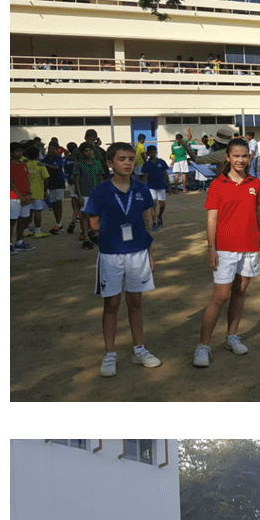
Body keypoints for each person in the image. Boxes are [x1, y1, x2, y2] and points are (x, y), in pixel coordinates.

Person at [84, 143, 161, 377]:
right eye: (121, 159)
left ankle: (139, 349)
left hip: (138, 252)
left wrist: (150, 252)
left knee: (135, 303)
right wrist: (105, 239)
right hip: (111, 254)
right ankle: (109, 354)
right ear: (110, 163)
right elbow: (93, 220)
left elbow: (146, 221)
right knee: (112, 304)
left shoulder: (141, 188)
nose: (127, 163)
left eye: (130, 159)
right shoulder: (100, 191)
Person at [193, 138, 260, 367]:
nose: (240, 160)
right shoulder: (218, 184)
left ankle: (231, 336)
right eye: (236, 156)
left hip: (250, 247)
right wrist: (211, 248)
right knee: (220, 296)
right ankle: (203, 345)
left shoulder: (255, 183)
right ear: (228, 158)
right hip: (225, 249)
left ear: (250, 157)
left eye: (244, 156)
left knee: (241, 291)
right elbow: (212, 218)